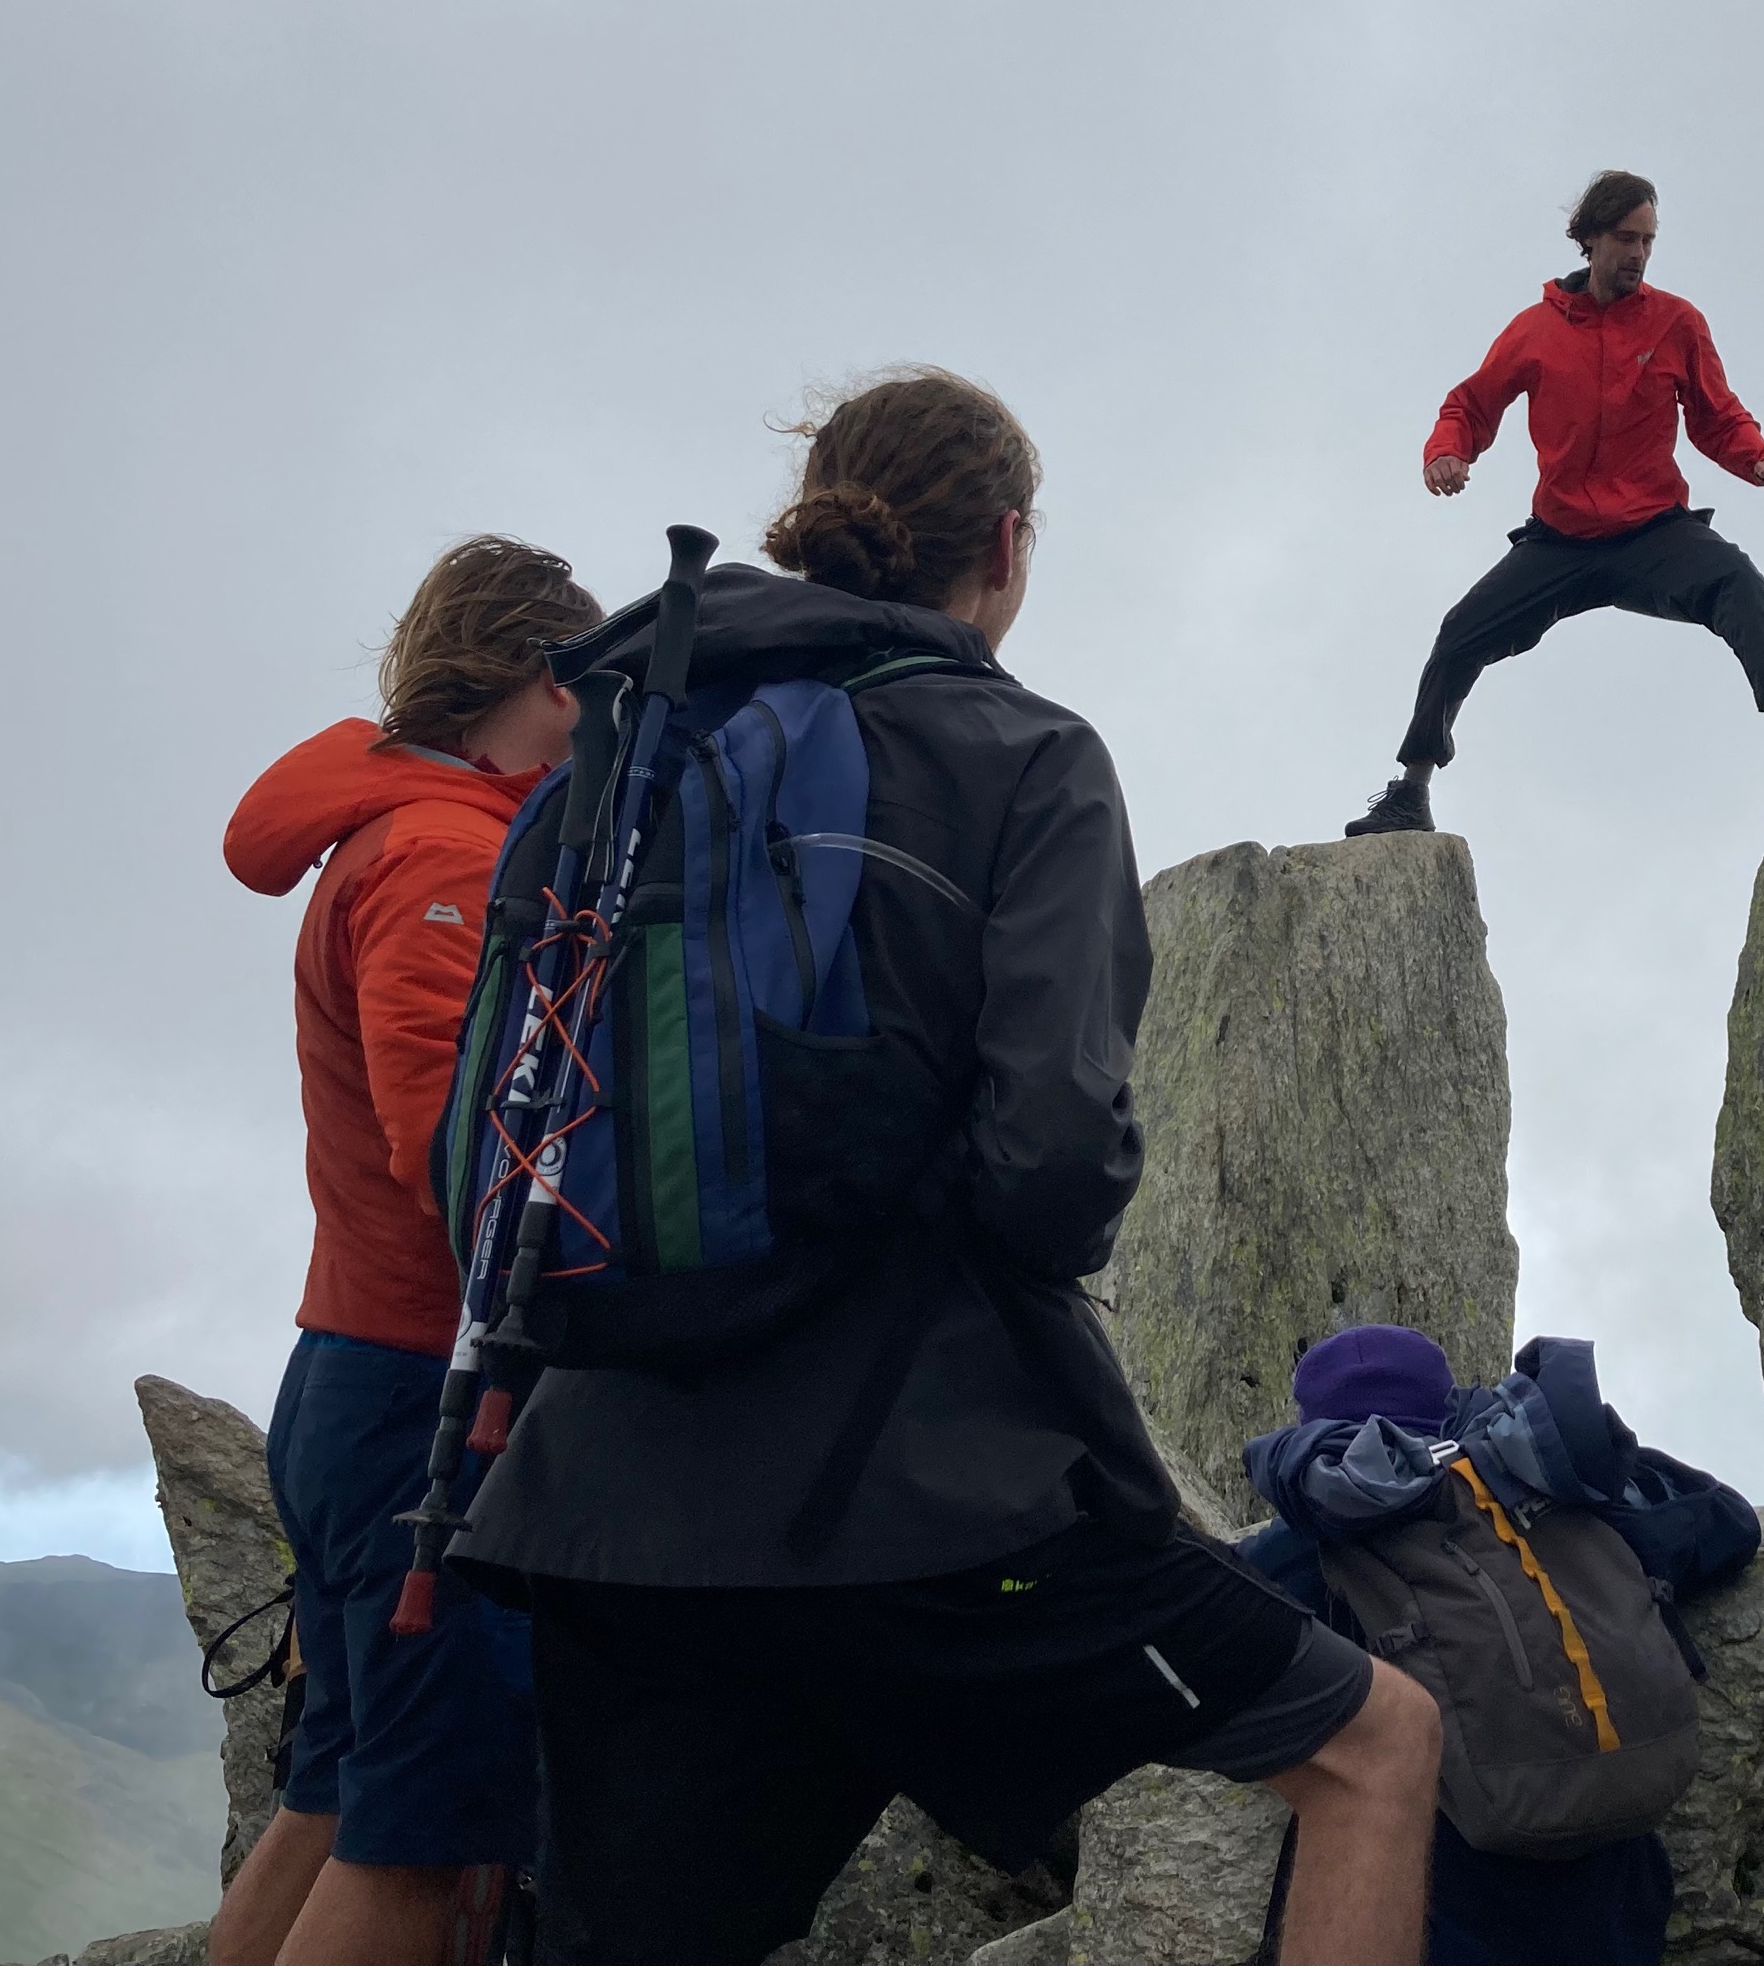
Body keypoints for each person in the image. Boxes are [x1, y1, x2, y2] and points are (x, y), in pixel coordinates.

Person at [449, 369, 1442, 1966]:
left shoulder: (623, 758)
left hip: (602, 1498)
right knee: (1372, 1745)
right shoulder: (1025, 753)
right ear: (1007, 545)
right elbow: (1050, 1157)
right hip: (931, 1504)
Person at [216, 536, 600, 1966]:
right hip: (418, 1408)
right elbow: (452, 1144)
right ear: (543, 681)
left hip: (354, 1381)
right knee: (425, 1831)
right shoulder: (445, 853)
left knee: (337, 1787)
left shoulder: (412, 832)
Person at [1345, 171, 1764, 837]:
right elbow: (1471, 404)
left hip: (1651, 533)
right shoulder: (1534, 332)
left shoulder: (1677, 323)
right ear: (1590, 240)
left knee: (1736, 579)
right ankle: (1412, 790)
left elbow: (1718, 420)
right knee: (1460, 633)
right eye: (1626, 239)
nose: (1638, 254)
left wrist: (1759, 458)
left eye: (1649, 242)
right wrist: (1446, 451)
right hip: (1560, 541)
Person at [1236, 1326, 1680, 1966]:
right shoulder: (1557, 1490)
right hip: (1617, 1882)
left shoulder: (1313, 1543)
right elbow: (1729, 1530)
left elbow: (1208, 1617)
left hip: (1444, 1901)